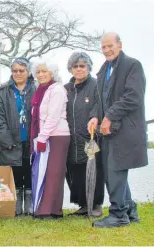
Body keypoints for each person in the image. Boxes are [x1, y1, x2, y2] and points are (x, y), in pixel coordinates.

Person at [88, 32, 147, 228]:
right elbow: (101, 100)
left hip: (125, 129)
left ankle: (118, 215)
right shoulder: (104, 69)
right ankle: (129, 210)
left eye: (110, 46)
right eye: (103, 47)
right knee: (115, 171)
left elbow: (134, 97)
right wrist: (96, 116)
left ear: (119, 45)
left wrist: (110, 115)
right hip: (109, 130)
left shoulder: (132, 65)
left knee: (115, 170)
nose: (106, 50)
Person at [0, 57, 36, 216]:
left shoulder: (37, 90)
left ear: (28, 72)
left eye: (21, 70)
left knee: (30, 173)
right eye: (14, 70)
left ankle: (30, 205)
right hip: (11, 142)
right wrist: (7, 141)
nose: (18, 73)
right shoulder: (2, 92)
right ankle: (15, 205)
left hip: (31, 141)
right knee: (15, 174)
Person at [64, 52, 104, 217]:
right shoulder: (66, 88)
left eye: (82, 66)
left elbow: (101, 105)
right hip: (71, 140)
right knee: (75, 172)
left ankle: (95, 205)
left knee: (93, 170)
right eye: (75, 66)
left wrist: (95, 116)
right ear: (70, 69)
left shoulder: (96, 85)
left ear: (88, 67)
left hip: (91, 138)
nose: (79, 69)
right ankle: (83, 205)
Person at [30, 59, 70, 219]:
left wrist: (42, 137)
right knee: (46, 172)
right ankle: (44, 208)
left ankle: (51, 210)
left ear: (52, 72)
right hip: (46, 135)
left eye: (44, 71)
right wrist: (40, 137)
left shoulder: (57, 90)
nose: (40, 74)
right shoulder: (41, 90)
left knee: (54, 172)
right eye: (38, 72)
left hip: (57, 135)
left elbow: (53, 117)